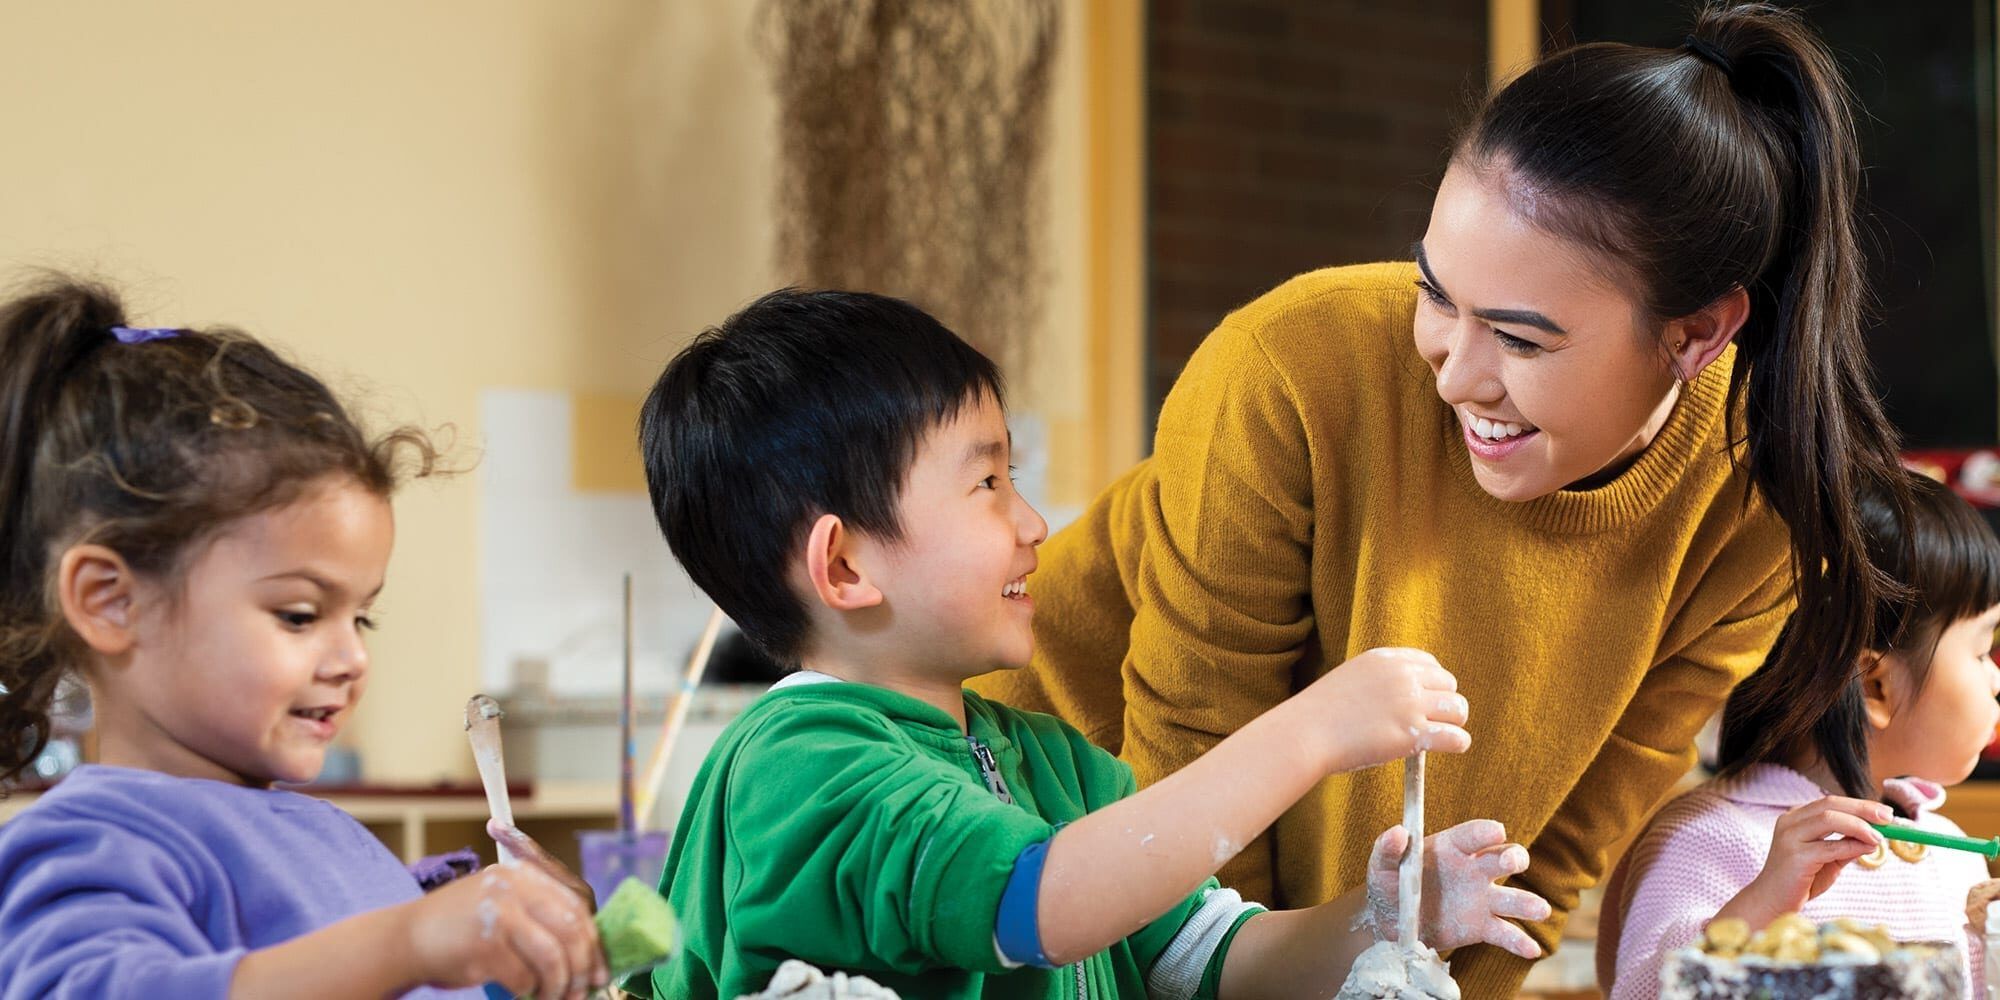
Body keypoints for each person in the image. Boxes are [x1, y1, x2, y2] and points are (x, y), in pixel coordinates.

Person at [969, 4, 1910, 993]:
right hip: (1024, 870)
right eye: (1434, 294)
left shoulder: (1750, 511)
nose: (1455, 373)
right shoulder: (1289, 368)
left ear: (1693, 334)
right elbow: (1188, 773)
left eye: (1518, 337)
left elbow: (1545, 867)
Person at [625, 289, 1550, 999]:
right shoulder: (804, 766)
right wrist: (1311, 732)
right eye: (986, 483)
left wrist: (1381, 922)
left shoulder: (1050, 764)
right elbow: (1035, 905)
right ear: (846, 567)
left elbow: (1212, 959)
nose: (1032, 523)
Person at [0, 277, 605, 999]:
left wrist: (525, 963)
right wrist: (408, 941)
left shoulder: (322, 832)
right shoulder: (94, 842)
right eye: (298, 614)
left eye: (362, 618)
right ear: (111, 602)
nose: (352, 659)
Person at [1598, 471, 2000, 997]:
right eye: (1979, 650)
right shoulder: (1711, 835)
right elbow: (1641, 991)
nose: (1994, 676)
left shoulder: (1952, 850)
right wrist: (1760, 907)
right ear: (1875, 687)